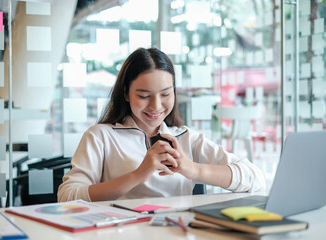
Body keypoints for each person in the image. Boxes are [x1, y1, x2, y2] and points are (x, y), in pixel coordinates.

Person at [57, 47, 266, 202]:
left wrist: (192, 169)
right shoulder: (101, 136)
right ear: (126, 94)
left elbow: (255, 178)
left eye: (165, 94)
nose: (156, 106)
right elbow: (67, 196)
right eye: (144, 95)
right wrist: (137, 175)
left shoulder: (185, 137)